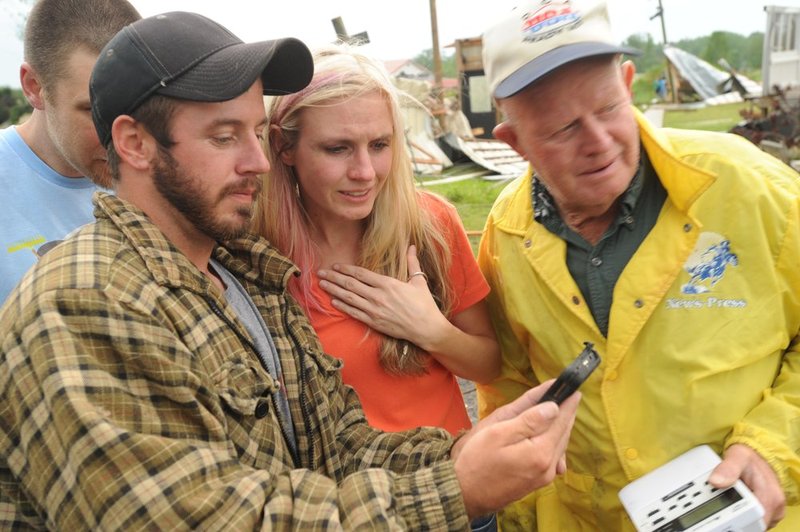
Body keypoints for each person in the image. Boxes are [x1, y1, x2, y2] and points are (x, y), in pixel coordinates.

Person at [0, 12, 580, 529]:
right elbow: (207, 516)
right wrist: (458, 487)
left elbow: (337, 445)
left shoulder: (244, 277)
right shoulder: (84, 300)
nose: (256, 161)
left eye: (255, 132)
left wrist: (471, 451)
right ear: (135, 143)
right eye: (224, 136)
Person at [476, 0, 800, 530]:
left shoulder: (751, 188)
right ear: (514, 142)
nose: (599, 144)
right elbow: (509, 387)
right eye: (562, 129)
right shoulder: (506, 233)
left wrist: (774, 444)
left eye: (608, 109)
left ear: (628, 84)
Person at [254, 45, 500, 438]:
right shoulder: (254, 255)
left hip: (453, 482)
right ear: (284, 146)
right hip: (342, 495)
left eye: (380, 145)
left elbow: (488, 364)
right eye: (338, 148)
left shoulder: (428, 226)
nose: (365, 172)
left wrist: (430, 330)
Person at [0, 0, 141, 304]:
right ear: (34, 86)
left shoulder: (156, 180)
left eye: (134, 109)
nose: (121, 140)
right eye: (95, 111)